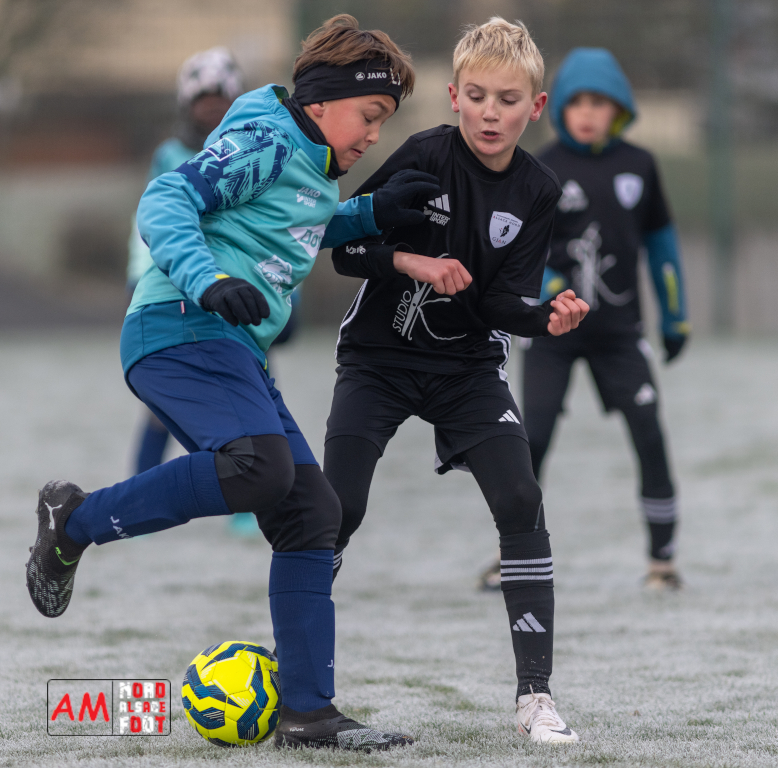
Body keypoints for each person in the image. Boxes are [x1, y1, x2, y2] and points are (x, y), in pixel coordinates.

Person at [25, 15, 439, 750]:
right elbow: (165, 200)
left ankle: (308, 714)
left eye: (384, 122)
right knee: (259, 468)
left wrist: (371, 213)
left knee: (311, 511)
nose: (375, 135)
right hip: (178, 324)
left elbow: (294, 223)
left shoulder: (308, 159)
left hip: (229, 345)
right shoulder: (267, 140)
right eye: (370, 115)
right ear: (321, 101)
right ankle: (74, 522)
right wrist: (208, 278)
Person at [322, 18, 589, 745]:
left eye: (508, 99)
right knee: (336, 509)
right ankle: (299, 675)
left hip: (467, 371)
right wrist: (413, 263)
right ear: (454, 97)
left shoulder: (537, 190)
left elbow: (504, 303)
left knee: (521, 498)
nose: (490, 112)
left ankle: (535, 698)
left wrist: (546, 318)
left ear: (535, 108)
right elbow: (342, 246)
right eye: (477, 96)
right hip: (377, 361)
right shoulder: (423, 155)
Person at [486, 47, 689, 592]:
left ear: (618, 108)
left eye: (599, 102)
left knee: (649, 433)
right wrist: (548, 289)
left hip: (620, 334)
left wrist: (676, 317)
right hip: (551, 332)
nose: (587, 113)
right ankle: (510, 555)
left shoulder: (640, 166)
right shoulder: (539, 167)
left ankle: (663, 560)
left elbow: (663, 247)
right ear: (558, 109)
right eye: (577, 102)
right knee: (530, 440)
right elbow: (516, 251)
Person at [126, 48, 244, 480]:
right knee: (162, 407)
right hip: (177, 289)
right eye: (203, 101)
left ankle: (251, 500)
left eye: (221, 101)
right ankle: (141, 487)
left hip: (238, 287)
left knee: (254, 388)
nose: (212, 110)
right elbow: (149, 222)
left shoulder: (251, 151)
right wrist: (137, 279)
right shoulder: (169, 155)